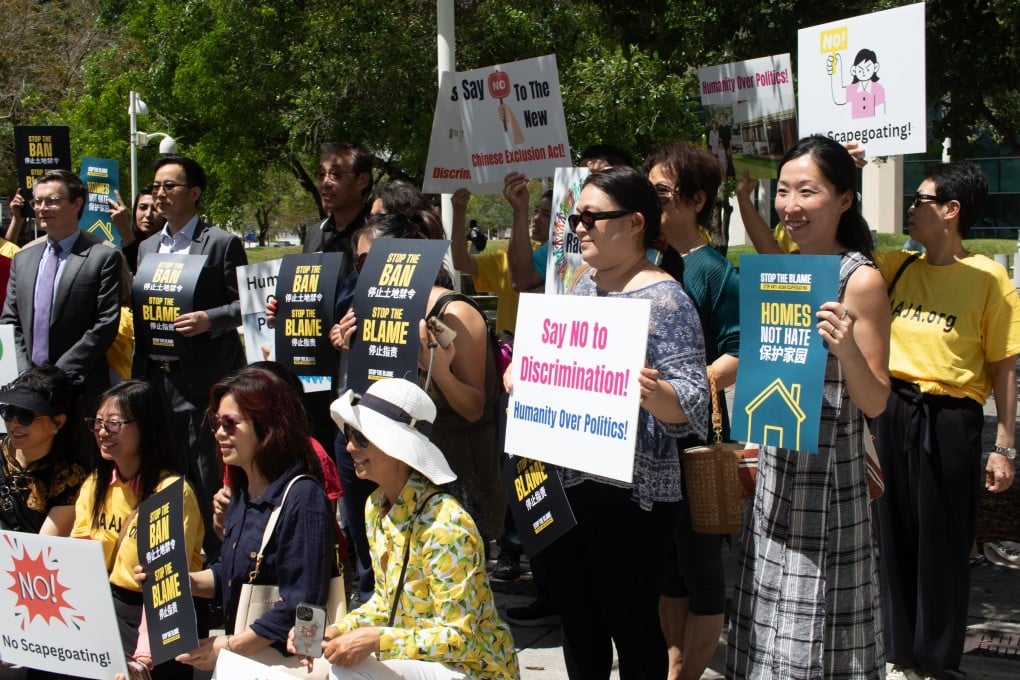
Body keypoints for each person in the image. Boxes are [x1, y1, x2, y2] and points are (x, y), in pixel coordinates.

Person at [513, 166, 708, 679]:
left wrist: (650, 391)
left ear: (635, 223)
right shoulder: (578, 290)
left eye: (593, 218)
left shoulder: (667, 300)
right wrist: (523, 372)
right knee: (577, 622)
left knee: (630, 622)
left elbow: (692, 404)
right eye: (576, 218)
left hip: (630, 497)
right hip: (564, 482)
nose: (579, 228)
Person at [725, 135, 891, 679]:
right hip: (776, 472)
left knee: (819, 628)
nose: (791, 205)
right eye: (785, 191)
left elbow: (876, 400)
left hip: (830, 486)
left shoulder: (859, 280)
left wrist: (846, 347)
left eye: (808, 191)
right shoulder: (787, 269)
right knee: (767, 621)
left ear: (845, 199)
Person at [871, 162, 1019, 680]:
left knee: (944, 540)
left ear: (951, 211)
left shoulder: (988, 278)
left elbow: (1003, 364)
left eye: (922, 199)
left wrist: (1005, 444)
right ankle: (899, 656)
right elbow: (833, 252)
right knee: (893, 534)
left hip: (952, 417)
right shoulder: (897, 266)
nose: (911, 207)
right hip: (894, 411)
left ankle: (936, 662)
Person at [302, 377, 519, 679]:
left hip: (472, 670)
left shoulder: (447, 524)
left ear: (398, 447)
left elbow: (460, 638)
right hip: (421, 661)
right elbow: (384, 601)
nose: (349, 446)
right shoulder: (376, 506)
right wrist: (338, 629)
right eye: (350, 433)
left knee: (344, 671)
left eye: (362, 436)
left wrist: (376, 638)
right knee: (332, 664)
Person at [332, 212, 505, 543]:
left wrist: (438, 368)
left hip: (455, 480)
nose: (368, 272)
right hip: (402, 480)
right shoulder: (373, 309)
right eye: (360, 263)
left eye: (378, 259)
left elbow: (474, 407)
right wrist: (348, 347)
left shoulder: (453, 311)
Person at [157, 367, 336, 674]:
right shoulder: (241, 490)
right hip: (242, 663)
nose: (218, 433)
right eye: (216, 422)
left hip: (284, 666)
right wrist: (180, 583)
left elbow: (303, 603)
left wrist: (228, 647)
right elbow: (236, 572)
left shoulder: (303, 496)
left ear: (267, 426)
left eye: (230, 423)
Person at [643, 140, 739, 680]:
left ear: (697, 199)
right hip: (645, 441)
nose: (653, 201)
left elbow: (740, 351)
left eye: (663, 191)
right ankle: (673, 663)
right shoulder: (645, 265)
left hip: (693, 442)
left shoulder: (716, 271)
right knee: (665, 569)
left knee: (699, 565)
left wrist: (684, 387)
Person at [130, 155, 247, 560]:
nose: (160, 193)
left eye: (170, 186)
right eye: (156, 185)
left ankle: (217, 561)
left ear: (194, 193)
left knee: (206, 472)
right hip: (157, 377)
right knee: (165, 471)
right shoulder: (147, 246)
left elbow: (243, 306)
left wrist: (208, 319)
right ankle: (175, 556)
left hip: (202, 380)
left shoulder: (221, 243)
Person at [73, 380, 204, 679]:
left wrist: (144, 659)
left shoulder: (170, 493)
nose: (102, 432)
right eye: (98, 422)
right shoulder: (94, 485)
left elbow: (165, 586)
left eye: (114, 423)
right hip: (107, 614)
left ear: (147, 427)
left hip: (160, 625)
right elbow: (78, 565)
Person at [0, 169, 123, 441]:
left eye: (52, 201)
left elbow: (105, 324)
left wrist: (58, 375)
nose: (42, 208)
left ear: (77, 203)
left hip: (80, 388)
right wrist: (27, 376)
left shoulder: (103, 256)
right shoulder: (24, 258)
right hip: (29, 390)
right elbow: (10, 320)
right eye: (37, 201)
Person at [450, 184, 552, 335]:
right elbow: (460, 262)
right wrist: (459, 213)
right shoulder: (508, 259)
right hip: (510, 355)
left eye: (546, 214)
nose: (536, 218)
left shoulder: (573, 263)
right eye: (536, 211)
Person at [0, 366, 88, 535]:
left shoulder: (71, 476)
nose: (14, 423)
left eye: (26, 416)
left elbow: (44, 546)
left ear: (58, 423)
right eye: (8, 412)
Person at [109, 186, 167, 274]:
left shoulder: (171, 245)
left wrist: (124, 228)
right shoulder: (117, 241)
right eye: (143, 207)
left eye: (155, 209)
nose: (148, 214)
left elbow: (141, 271)